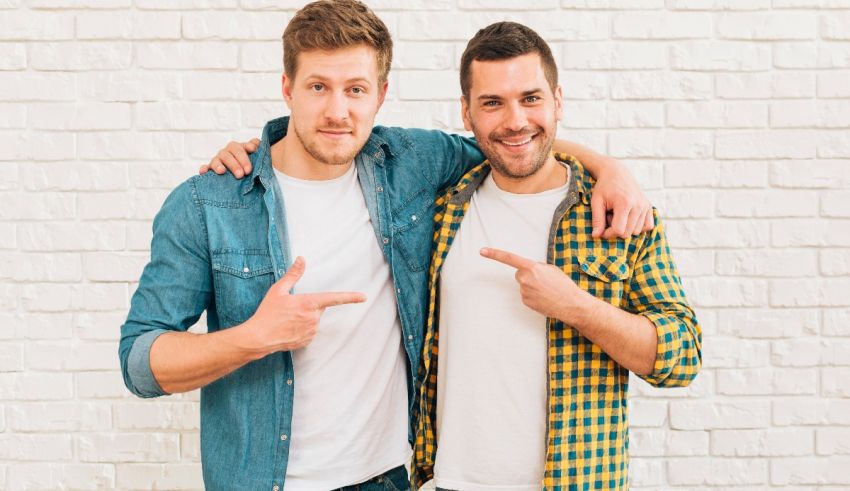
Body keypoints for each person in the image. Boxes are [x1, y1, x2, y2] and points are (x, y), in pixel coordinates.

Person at [119, 1, 652, 489]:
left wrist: (609, 168)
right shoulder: (209, 204)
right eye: (317, 87)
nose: (337, 111)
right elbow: (141, 363)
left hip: (388, 478)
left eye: (355, 89)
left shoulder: (408, 163)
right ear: (287, 88)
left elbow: (510, 137)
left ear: (381, 94)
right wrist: (253, 338)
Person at [408, 22, 702, 491]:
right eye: (492, 103)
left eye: (530, 98)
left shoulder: (618, 213)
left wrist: (578, 308)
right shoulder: (438, 210)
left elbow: (682, 356)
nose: (515, 120)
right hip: (453, 482)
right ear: (466, 113)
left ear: (558, 101)